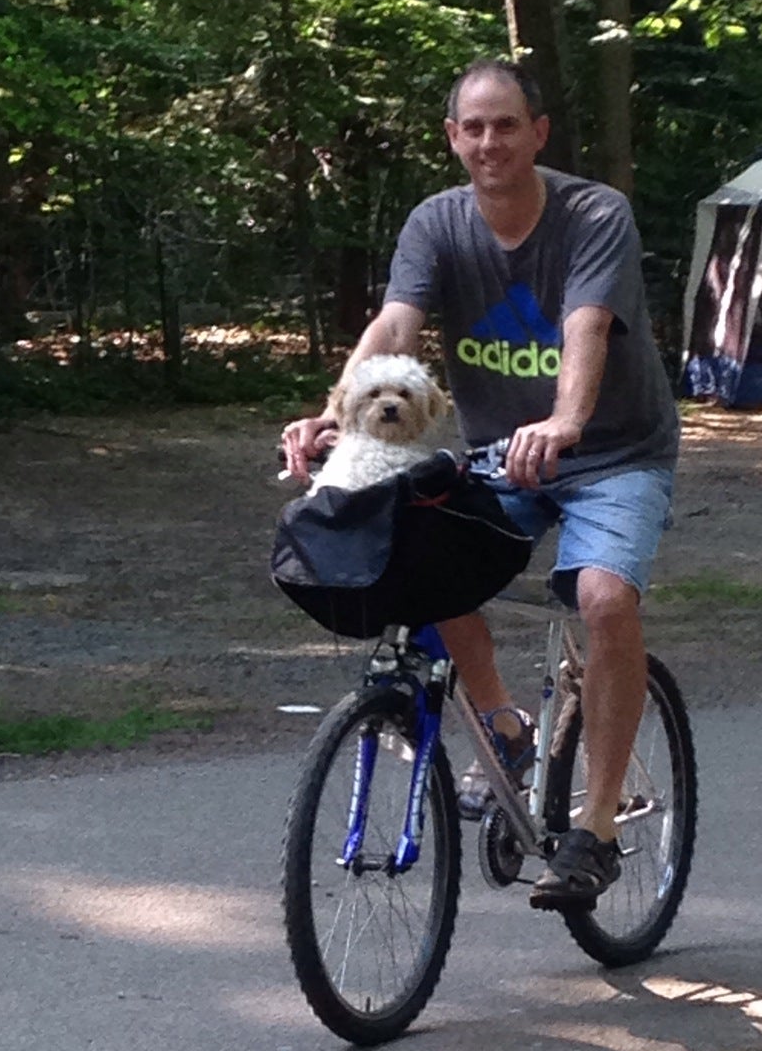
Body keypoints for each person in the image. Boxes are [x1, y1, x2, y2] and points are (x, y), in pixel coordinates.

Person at [281, 58, 679, 909]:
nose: (490, 142)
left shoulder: (592, 214)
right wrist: (335, 411)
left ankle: (596, 829)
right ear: (453, 137)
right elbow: (394, 323)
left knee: (605, 600)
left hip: (613, 452)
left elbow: (587, 325)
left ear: (538, 133)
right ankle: (503, 725)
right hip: (506, 451)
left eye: (508, 125)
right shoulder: (437, 223)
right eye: (474, 127)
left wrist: (569, 419)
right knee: (419, 546)